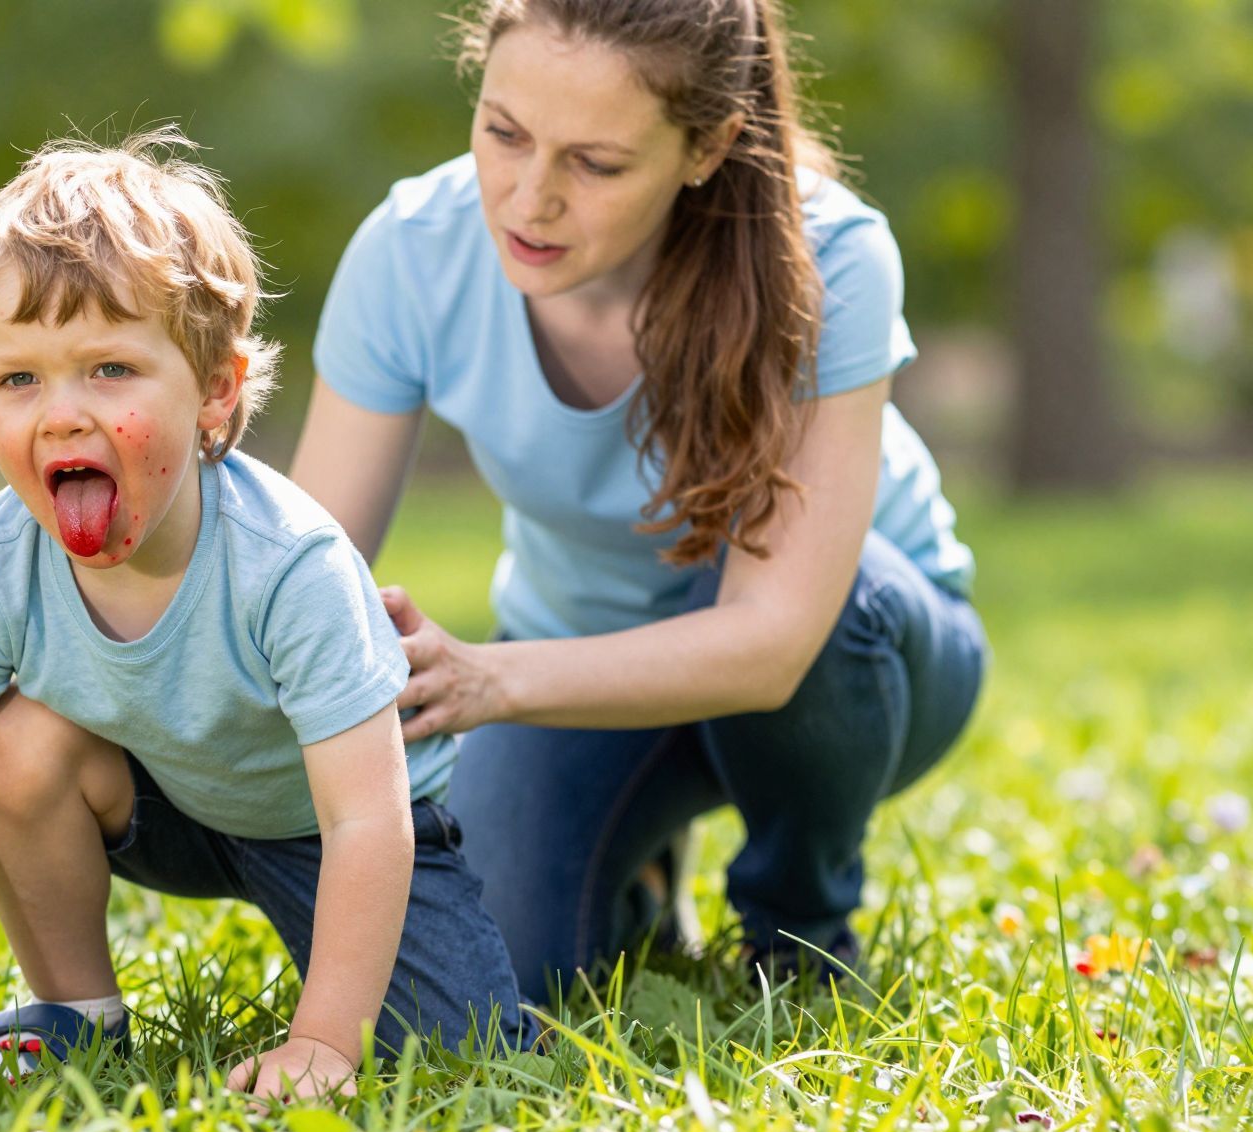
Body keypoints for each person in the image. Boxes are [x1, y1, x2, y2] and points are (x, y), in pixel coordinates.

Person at [289, 0, 987, 1000]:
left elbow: (773, 643)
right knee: (492, 973)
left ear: (706, 147)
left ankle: (799, 926)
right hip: (576, 663)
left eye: (595, 164)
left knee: (829, 625)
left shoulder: (830, 255)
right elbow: (305, 562)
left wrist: (487, 683)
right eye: (502, 134)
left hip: (858, 670)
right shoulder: (411, 249)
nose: (528, 200)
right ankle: (636, 872)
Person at [0, 131, 530, 1103]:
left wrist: (325, 1042)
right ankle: (78, 1015)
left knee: (461, 1053)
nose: (62, 413)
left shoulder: (290, 563)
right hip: (169, 799)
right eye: (18, 379)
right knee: (13, 748)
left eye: (109, 369)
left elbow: (366, 819)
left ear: (214, 391)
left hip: (332, 824)